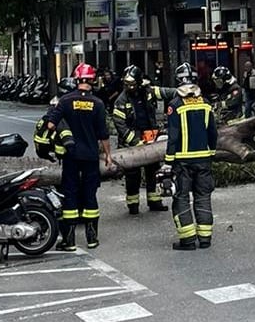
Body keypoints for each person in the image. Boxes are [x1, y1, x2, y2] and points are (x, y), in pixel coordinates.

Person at [44, 62, 113, 251]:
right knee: (90, 195)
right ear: (92, 80)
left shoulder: (65, 101)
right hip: (91, 156)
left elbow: (50, 125)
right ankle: (92, 238)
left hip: (71, 156)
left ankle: (69, 240)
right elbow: (103, 134)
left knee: (70, 195)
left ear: (76, 79)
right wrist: (108, 155)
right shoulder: (98, 104)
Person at [161, 63, 218, 250]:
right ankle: (205, 239)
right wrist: (212, 152)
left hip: (183, 162)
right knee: (203, 197)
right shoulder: (205, 103)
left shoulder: (175, 105)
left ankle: (188, 240)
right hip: (203, 160)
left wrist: (168, 161)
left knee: (182, 198)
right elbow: (213, 132)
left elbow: (173, 136)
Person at [113, 65, 174, 215]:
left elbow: (169, 93)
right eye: (126, 84)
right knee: (132, 175)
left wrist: (186, 92)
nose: (129, 87)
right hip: (132, 142)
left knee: (152, 171)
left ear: (139, 82)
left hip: (150, 137)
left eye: (132, 84)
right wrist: (135, 142)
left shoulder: (148, 91)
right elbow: (120, 124)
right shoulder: (121, 100)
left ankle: (154, 201)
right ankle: (133, 205)